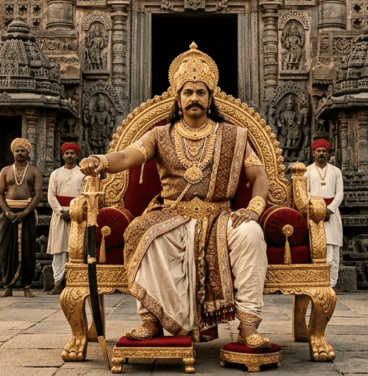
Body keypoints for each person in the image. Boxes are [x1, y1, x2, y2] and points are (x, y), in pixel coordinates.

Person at [81, 43, 272, 348]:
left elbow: (259, 175)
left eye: (200, 92)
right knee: (141, 232)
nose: (194, 97)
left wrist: (255, 208)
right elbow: (129, 156)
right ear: (178, 99)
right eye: (188, 92)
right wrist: (101, 161)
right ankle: (151, 320)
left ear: (210, 99)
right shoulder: (159, 134)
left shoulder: (233, 136)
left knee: (250, 234)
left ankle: (248, 326)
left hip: (220, 216)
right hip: (172, 215)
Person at [0, 138, 44, 298]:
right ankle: (8, 286)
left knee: (28, 250)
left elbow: (37, 195)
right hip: (9, 213)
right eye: (17, 150)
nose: (19, 153)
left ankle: (27, 287)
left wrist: (25, 212)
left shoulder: (34, 171)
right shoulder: (5, 171)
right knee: (6, 250)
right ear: (13, 152)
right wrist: (7, 212)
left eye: (22, 150)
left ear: (28, 152)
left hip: (27, 213)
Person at [47, 142, 85, 295]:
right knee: (59, 249)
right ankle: (58, 282)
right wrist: (61, 211)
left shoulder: (83, 174)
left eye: (72, 153)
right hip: (59, 216)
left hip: (77, 216)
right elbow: (51, 195)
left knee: (75, 249)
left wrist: (73, 211)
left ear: (77, 155)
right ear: (62, 156)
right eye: (67, 153)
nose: (69, 156)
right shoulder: (55, 174)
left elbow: (85, 196)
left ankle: (73, 282)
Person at [305, 139, 344, 288]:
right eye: (318, 151)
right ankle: (318, 283)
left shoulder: (336, 171)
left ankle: (331, 285)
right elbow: (305, 193)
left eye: (324, 151)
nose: (321, 153)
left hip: (332, 214)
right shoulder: (307, 171)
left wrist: (329, 209)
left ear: (328, 153)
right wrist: (318, 208)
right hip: (314, 214)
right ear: (313, 152)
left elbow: (339, 194)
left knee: (333, 249)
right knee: (317, 248)